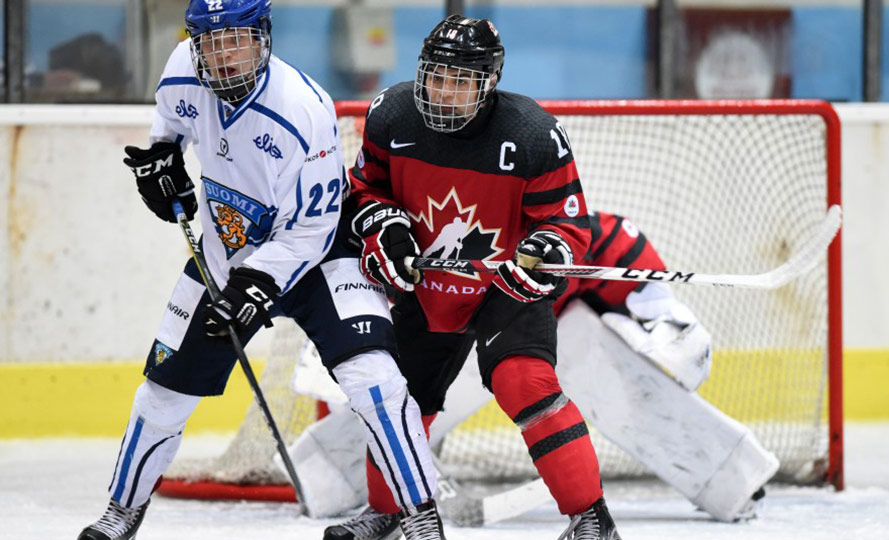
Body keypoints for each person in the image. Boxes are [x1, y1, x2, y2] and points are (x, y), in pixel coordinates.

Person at [76, 1, 441, 538]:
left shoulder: (302, 107)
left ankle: (420, 516)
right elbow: (169, 128)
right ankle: (121, 511)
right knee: (162, 394)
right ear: (194, 43)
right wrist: (161, 162)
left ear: (263, 37)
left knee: (376, 380)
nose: (223, 55)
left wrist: (257, 283)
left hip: (319, 254)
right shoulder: (182, 67)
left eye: (237, 39)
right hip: (227, 251)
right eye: (210, 42)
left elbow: (314, 227)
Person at [326, 14, 621, 540]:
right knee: (400, 398)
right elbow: (365, 190)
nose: (443, 91)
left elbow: (568, 222)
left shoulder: (533, 135)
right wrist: (385, 227)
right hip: (428, 283)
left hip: (505, 286)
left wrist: (543, 250)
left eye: (460, 81)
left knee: (524, 382)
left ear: (489, 83)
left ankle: (591, 520)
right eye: (435, 76)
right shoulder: (391, 114)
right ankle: (388, 510)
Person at [294, 210, 776, 525]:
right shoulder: (423, 238)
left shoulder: (578, 233)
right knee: (407, 395)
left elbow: (629, 265)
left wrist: (668, 320)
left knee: (580, 351)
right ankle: (331, 477)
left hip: (541, 333)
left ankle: (732, 476)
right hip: (458, 327)